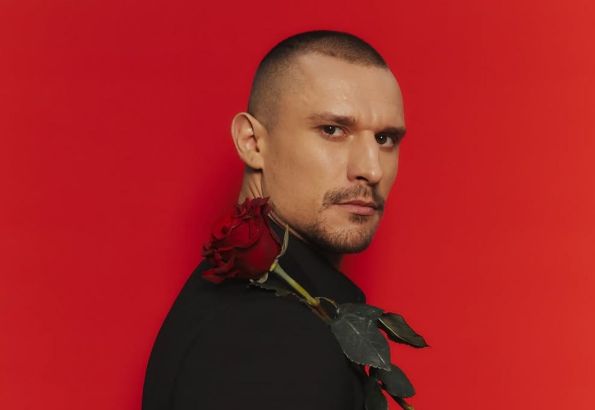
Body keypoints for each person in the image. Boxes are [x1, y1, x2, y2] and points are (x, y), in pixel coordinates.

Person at [142, 30, 406, 410]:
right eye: (332, 130)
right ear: (252, 142)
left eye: (385, 139)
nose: (371, 169)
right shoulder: (268, 339)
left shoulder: (265, 315)